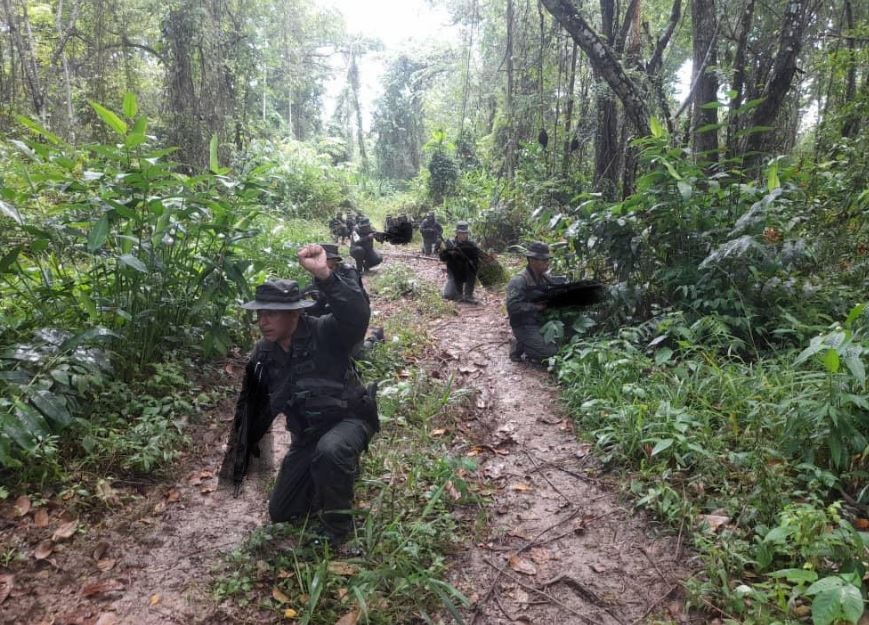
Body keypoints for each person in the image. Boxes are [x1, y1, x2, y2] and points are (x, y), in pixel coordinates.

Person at [233, 244, 378, 547]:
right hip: (308, 436)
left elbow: (357, 316)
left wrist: (324, 274)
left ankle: (339, 530)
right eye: (261, 314)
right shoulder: (265, 352)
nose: (263, 321)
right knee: (282, 512)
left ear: (295, 314)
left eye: (272, 314)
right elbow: (260, 407)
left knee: (331, 450)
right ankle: (330, 475)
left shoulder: (326, 331)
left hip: (350, 420)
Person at [506, 241, 560, 363]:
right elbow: (512, 307)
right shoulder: (519, 281)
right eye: (544, 260)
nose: (547, 263)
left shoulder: (543, 277)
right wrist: (535, 307)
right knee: (552, 353)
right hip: (524, 325)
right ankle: (522, 345)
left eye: (547, 260)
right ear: (532, 261)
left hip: (540, 322)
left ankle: (525, 343)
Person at [439, 221, 481, 304]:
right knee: (448, 295)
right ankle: (459, 294)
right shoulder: (450, 243)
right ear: (457, 233)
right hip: (454, 272)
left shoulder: (472, 244)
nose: (463, 235)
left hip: (467, 271)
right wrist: (450, 253)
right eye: (461, 233)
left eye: (465, 233)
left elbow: (476, 259)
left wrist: (470, 262)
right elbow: (443, 258)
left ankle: (468, 295)